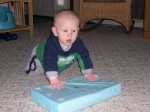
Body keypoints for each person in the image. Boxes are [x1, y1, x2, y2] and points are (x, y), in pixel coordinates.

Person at [25, 9, 97, 89]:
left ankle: (55, 68)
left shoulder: (78, 43)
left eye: (74, 31)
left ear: (78, 30)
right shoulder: (51, 45)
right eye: (65, 31)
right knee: (32, 72)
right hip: (39, 55)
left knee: (58, 66)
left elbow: (84, 57)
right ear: (55, 31)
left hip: (61, 57)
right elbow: (50, 60)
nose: (70, 35)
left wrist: (88, 73)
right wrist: (53, 79)